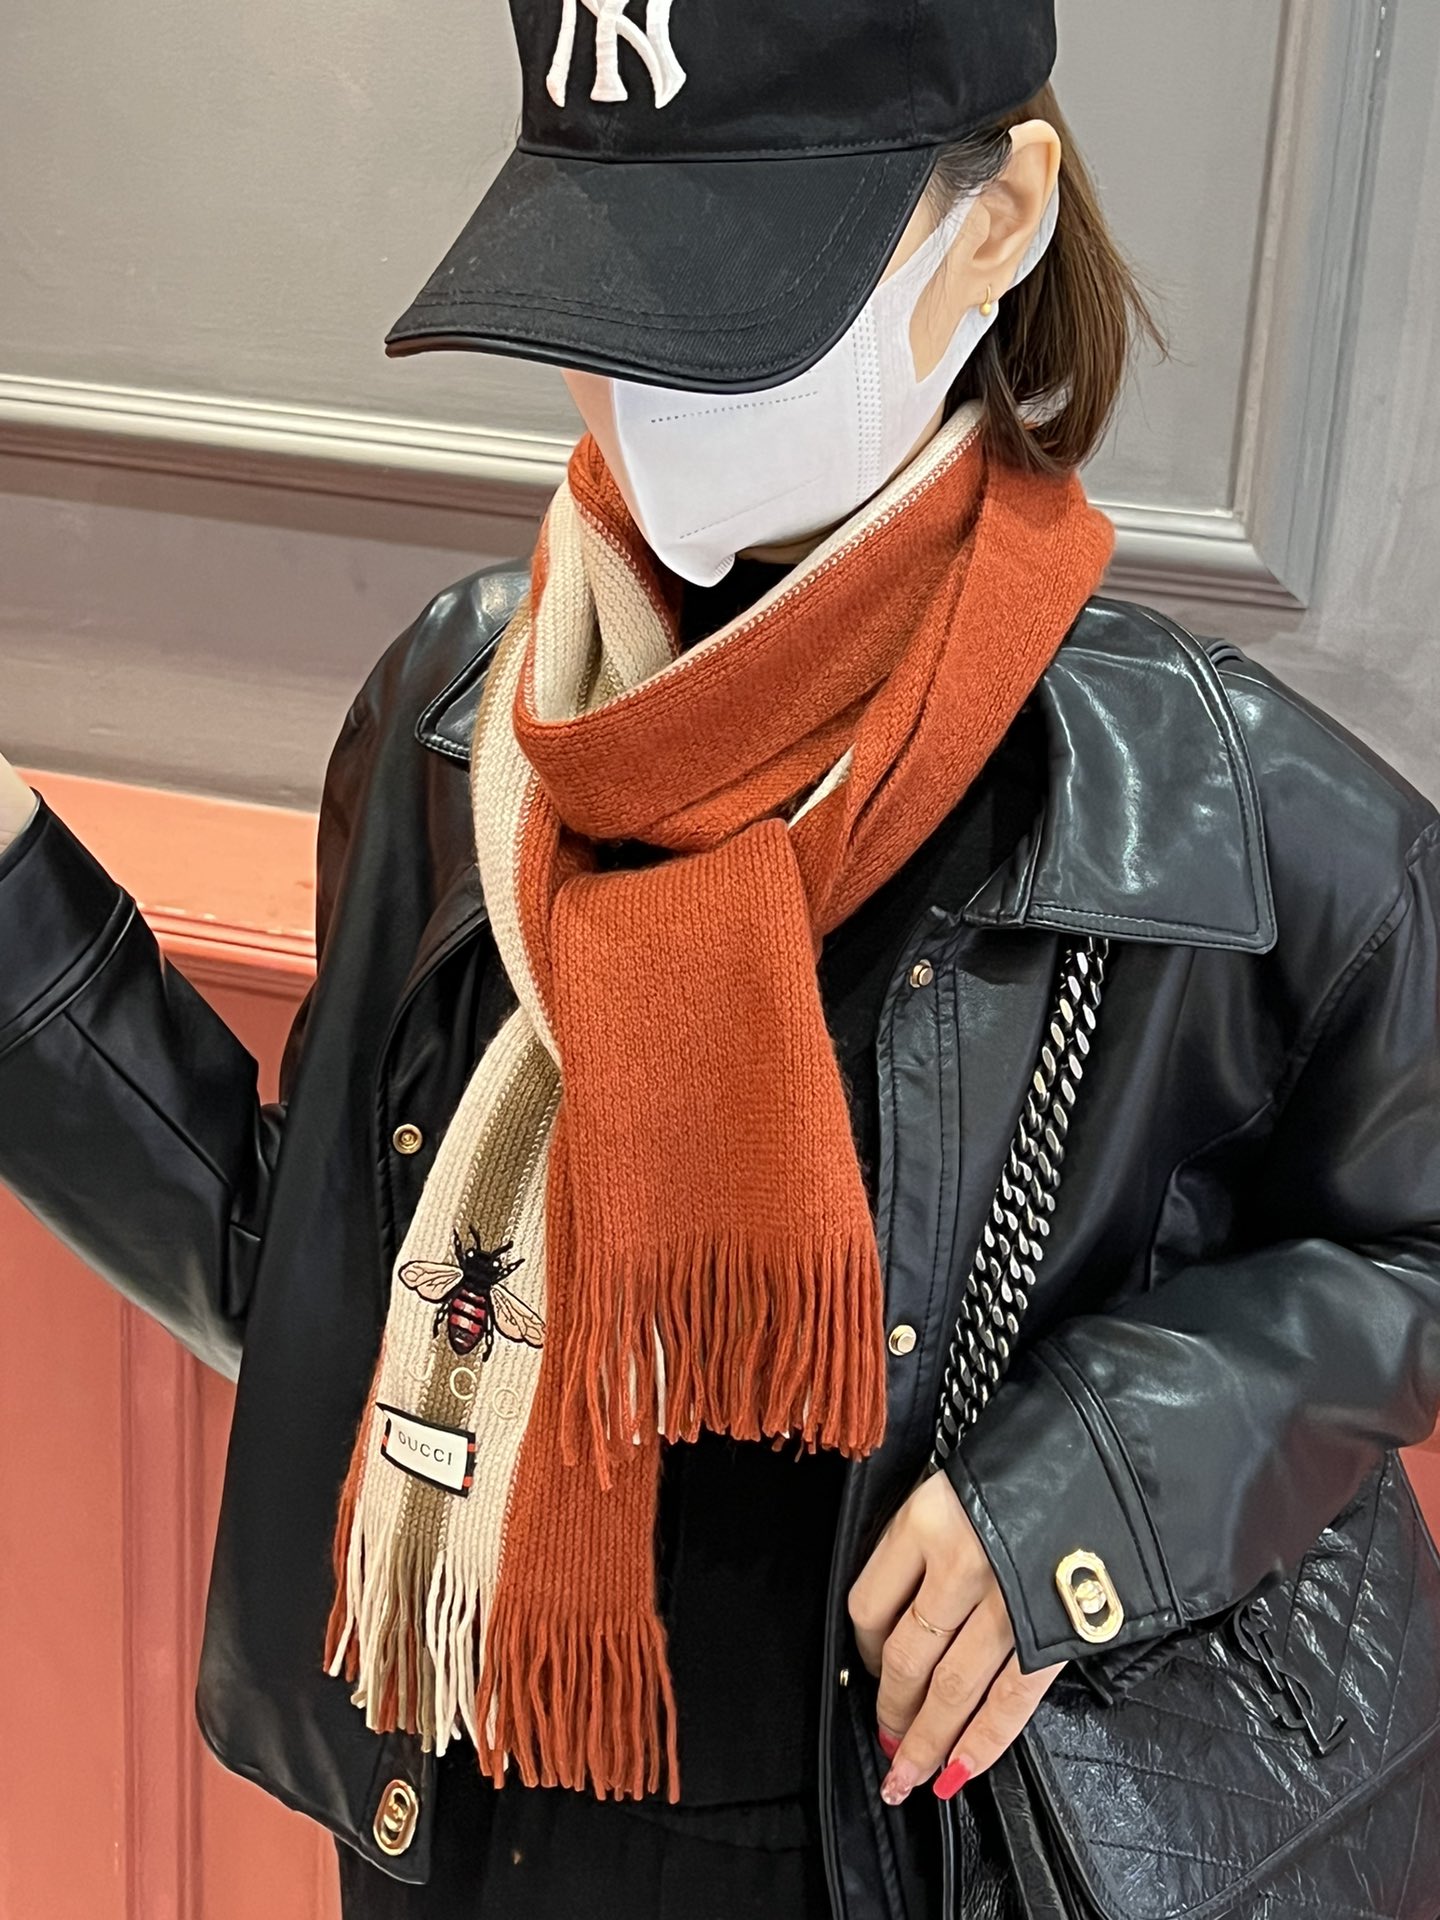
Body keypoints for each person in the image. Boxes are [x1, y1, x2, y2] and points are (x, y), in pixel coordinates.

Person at [2, 1, 1440, 1917]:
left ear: (997, 226)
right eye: (598, 303)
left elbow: (1409, 1249)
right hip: (495, 1809)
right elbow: (331, 1281)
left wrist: (1103, 1484)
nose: (644, 391)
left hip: (919, 1851)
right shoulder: (464, 725)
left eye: (734, 301)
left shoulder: (1228, 815)